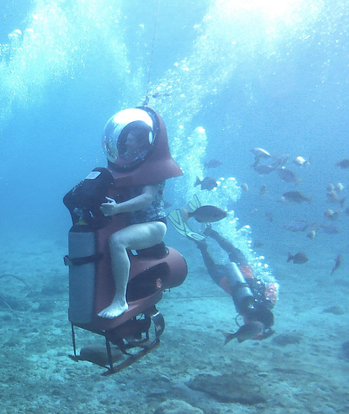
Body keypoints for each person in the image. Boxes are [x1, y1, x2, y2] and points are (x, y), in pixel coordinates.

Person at [97, 108, 182, 318]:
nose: (125, 143)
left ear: (144, 142)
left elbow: (146, 199)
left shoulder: (154, 166)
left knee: (117, 241)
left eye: (131, 140)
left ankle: (120, 301)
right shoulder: (125, 162)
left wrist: (116, 209)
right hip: (134, 223)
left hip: (154, 224)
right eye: (125, 139)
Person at [191, 225, 278, 339]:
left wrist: (270, 285)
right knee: (211, 267)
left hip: (247, 273)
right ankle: (203, 247)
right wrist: (263, 336)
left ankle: (212, 233)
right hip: (230, 285)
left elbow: (272, 285)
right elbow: (251, 334)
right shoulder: (250, 316)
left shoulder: (270, 301)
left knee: (233, 250)